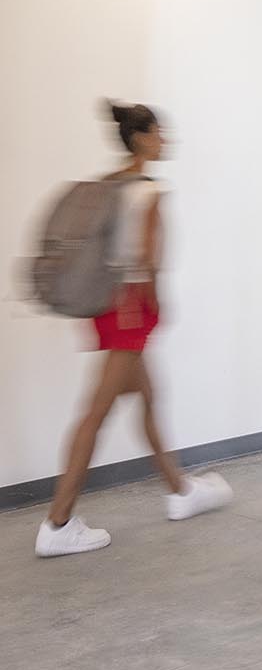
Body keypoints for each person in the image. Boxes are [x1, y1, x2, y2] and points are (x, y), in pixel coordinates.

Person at [36, 103, 232, 558]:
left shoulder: (112, 185)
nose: (167, 138)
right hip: (130, 307)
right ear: (142, 137)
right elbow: (146, 257)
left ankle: (181, 490)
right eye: (161, 131)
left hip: (109, 306)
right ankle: (58, 522)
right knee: (96, 412)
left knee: (148, 397)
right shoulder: (146, 191)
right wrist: (157, 298)